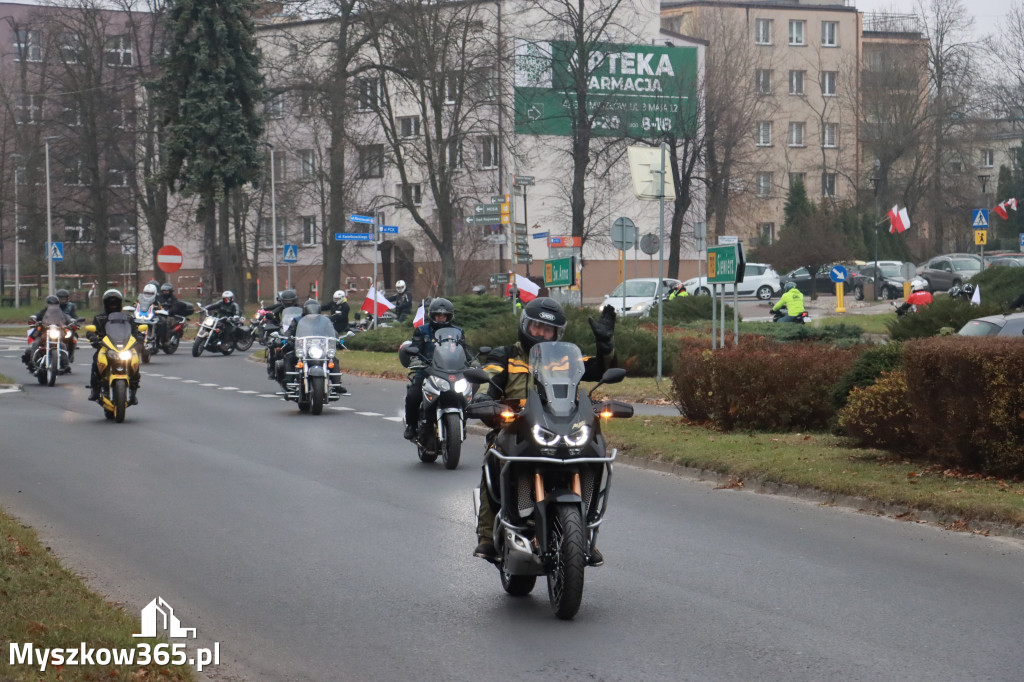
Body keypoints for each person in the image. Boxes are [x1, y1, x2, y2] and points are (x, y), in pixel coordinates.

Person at [473, 298, 617, 565]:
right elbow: (489, 377)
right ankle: (485, 537)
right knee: (493, 458)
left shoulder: (565, 357)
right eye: (536, 327)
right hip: (515, 428)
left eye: (547, 330)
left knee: (594, 454)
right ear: (525, 326)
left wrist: (605, 344)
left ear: (557, 333)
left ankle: (581, 533)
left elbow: (600, 369)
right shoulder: (505, 355)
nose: (541, 333)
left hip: (560, 425)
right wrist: (483, 399)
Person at [402, 298, 472, 440]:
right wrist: (416, 360)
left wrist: (474, 361)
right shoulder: (422, 331)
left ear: (449, 316)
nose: (441, 318)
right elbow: (416, 347)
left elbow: (465, 350)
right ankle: (412, 425)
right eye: (438, 315)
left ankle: (461, 422)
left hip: (451, 370)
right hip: (427, 370)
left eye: (444, 315)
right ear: (432, 315)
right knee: (413, 395)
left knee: (466, 392)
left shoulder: (457, 332)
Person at [85, 289, 141, 405]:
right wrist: (93, 337)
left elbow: (135, 331)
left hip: (124, 348)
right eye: (110, 302)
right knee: (96, 361)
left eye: (115, 302)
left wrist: (139, 336)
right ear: (105, 303)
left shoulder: (128, 319)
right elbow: (92, 330)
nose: (113, 305)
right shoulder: (99, 318)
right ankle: (95, 390)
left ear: (120, 303)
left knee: (135, 362)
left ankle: (133, 392)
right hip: (106, 348)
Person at [22, 295, 74, 370]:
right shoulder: (42, 312)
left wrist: (71, 321)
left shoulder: (61, 314)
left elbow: (67, 318)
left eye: (55, 304)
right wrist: (34, 319)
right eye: (51, 304)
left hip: (56, 334)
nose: (53, 306)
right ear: (47, 304)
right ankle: (32, 361)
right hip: (43, 334)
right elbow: (36, 316)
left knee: (62, 345)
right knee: (36, 343)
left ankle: (65, 363)